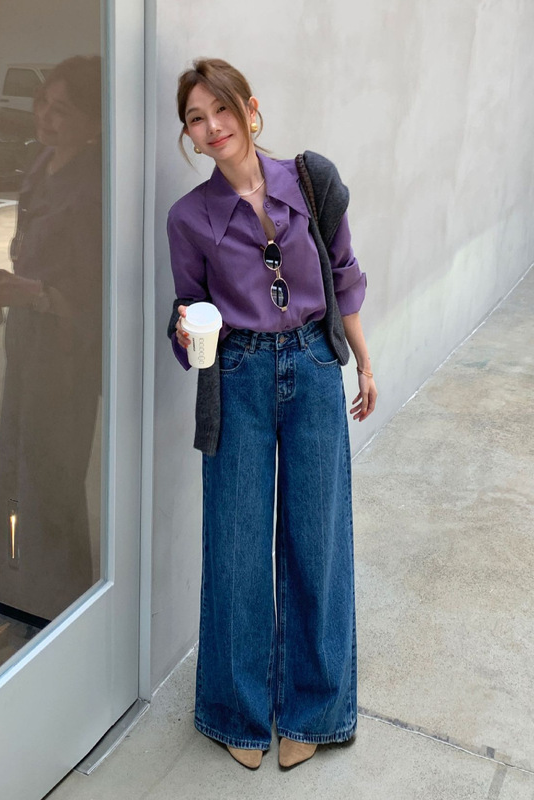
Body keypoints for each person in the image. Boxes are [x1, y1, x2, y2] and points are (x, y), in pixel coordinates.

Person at [167, 58, 377, 770]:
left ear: (250, 108)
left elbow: (343, 274)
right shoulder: (189, 218)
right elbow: (187, 307)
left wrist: (364, 362)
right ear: (190, 135)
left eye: (221, 109)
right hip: (238, 375)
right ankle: (236, 710)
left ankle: (316, 708)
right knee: (237, 547)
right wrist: (185, 330)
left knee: (318, 541)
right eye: (196, 119)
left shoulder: (311, 181)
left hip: (314, 367)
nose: (212, 127)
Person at [0, 56, 103, 622]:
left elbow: (97, 297)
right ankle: (13, 589)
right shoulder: (43, 162)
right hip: (26, 341)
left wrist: (33, 292)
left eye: (62, 110)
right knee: (14, 467)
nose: (45, 118)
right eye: (42, 104)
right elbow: (31, 248)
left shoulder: (95, 189)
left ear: (94, 122)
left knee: (52, 478)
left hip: (66, 354)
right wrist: (8, 283)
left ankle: (59, 607)